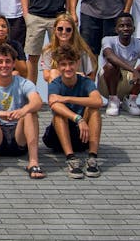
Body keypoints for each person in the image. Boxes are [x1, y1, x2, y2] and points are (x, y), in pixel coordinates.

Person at [0, 44, 44, 179]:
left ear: (13, 64)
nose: (4, 65)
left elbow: (37, 101)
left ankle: (33, 162)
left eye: (8, 61)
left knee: (31, 112)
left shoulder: (23, 83)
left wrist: (23, 110)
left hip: (19, 138)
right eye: (0, 62)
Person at [43, 46, 104, 179]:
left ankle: (92, 158)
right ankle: (71, 159)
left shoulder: (85, 82)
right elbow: (53, 103)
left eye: (71, 64)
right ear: (58, 66)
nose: (68, 68)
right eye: (63, 64)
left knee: (94, 109)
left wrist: (67, 98)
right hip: (58, 137)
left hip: (82, 135)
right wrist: (78, 119)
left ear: (77, 63)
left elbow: (98, 101)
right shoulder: (55, 84)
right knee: (59, 113)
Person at [99, 12, 140, 117]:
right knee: (111, 65)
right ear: (116, 29)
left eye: (128, 25)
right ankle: (113, 101)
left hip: (129, 81)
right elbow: (109, 56)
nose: (125, 28)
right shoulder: (108, 40)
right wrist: (134, 70)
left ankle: (131, 100)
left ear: (134, 28)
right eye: (122, 26)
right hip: (108, 84)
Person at [40, 13, 97, 83]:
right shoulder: (48, 51)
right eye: (60, 29)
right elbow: (46, 76)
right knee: (53, 73)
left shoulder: (82, 51)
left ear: (73, 31)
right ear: (55, 30)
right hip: (58, 87)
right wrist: (70, 74)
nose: (64, 32)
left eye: (68, 29)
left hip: (78, 86)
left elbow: (91, 77)